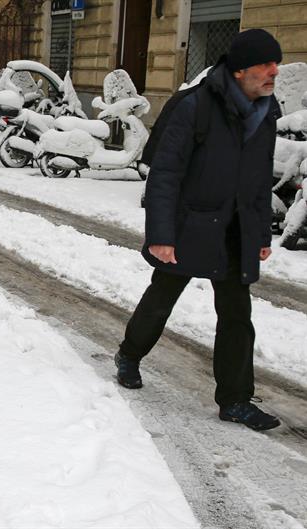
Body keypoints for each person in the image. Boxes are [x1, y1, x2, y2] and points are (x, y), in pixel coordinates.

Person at [115, 29, 283, 431]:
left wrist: (260, 234)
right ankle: (130, 355)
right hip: (192, 223)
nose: (274, 71)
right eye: (265, 64)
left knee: (237, 314)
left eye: (276, 62)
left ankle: (236, 400)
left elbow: (259, 179)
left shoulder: (266, 112)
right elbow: (165, 174)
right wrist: (161, 234)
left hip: (236, 228)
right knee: (162, 297)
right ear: (241, 70)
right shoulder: (195, 107)